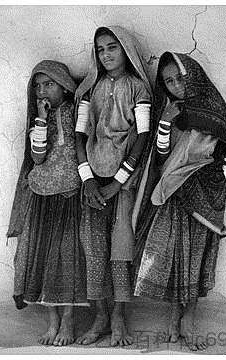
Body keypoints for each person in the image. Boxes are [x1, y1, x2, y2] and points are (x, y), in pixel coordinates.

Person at [132, 52, 226, 351]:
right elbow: (161, 155)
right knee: (171, 252)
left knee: (195, 256)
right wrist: (165, 124)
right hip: (172, 190)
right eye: (169, 81)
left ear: (194, 76)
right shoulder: (169, 111)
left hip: (204, 193)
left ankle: (189, 317)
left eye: (180, 78)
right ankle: (173, 314)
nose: (176, 85)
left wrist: (220, 178)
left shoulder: (213, 109)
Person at [73, 26, 153, 346]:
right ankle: (100, 317)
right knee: (94, 251)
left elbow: (143, 136)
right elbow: (80, 136)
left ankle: (119, 317)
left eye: (112, 48)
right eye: (100, 49)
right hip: (93, 181)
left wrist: (118, 182)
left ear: (126, 51)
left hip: (125, 181)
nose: (106, 55)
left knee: (120, 248)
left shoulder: (138, 90)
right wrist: (88, 179)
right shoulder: (89, 90)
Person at [7, 60, 88, 346]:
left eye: (49, 85)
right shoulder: (37, 120)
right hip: (42, 198)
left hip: (70, 198)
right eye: (38, 86)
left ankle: (68, 320)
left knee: (67, 261)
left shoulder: (77, 112)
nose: (42, 91)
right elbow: (38, 157)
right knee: (41, 261)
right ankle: (52, 321)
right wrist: (40, 120)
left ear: (65, 88)